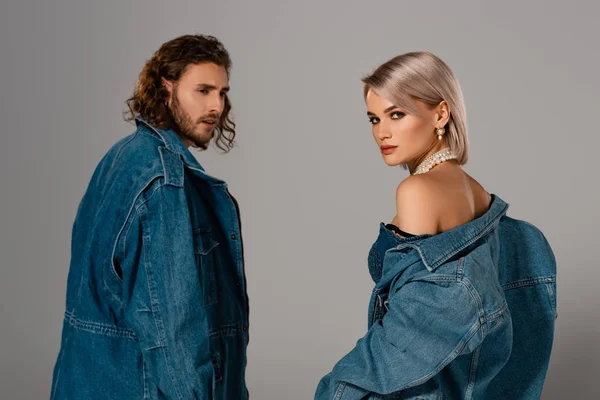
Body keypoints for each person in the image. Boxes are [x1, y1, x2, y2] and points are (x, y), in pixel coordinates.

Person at [315, 52, 556, 399]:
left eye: (396, 114)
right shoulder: (475, 192)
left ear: (441, 113)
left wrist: (337, 391)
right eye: (373, 119)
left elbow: (409, 336)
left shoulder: (417, 191)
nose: (382, 132)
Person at [50, 34, 249, 399]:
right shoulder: (163, 182)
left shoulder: (122, 157)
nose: (216, 106)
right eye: (202, 91)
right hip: (135, 386)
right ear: (166, 88)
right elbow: (172, 327)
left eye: (222, 92)